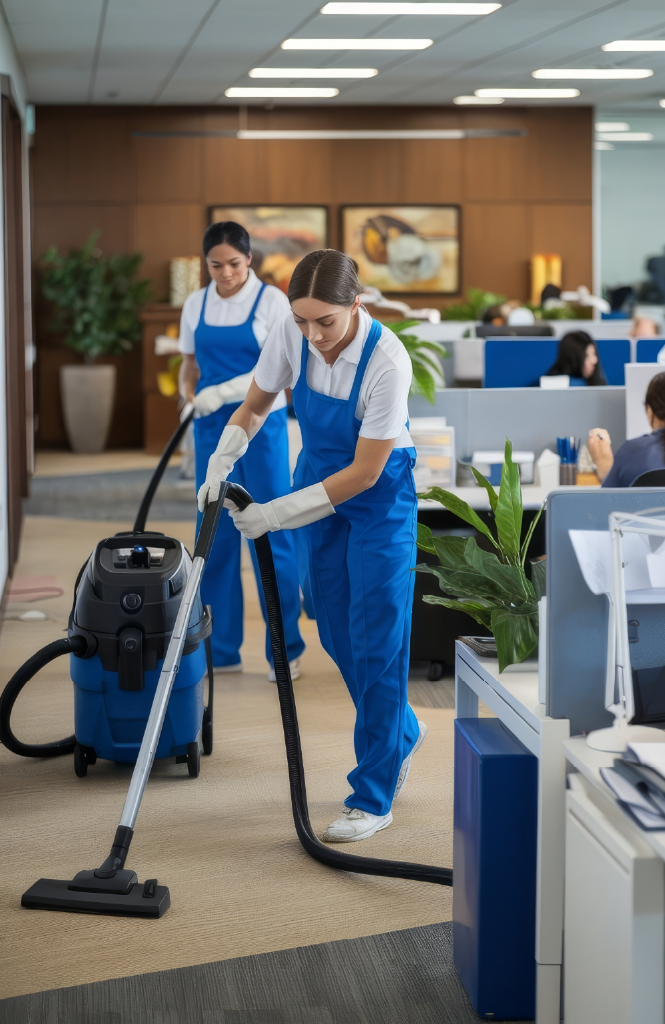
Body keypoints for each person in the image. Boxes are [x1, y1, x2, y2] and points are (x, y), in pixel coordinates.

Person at [197, 249, 426, 843]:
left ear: (357, 304)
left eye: (325, 321)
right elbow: (256, 404)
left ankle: (372, 796)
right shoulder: (291, 331)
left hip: (377, 498)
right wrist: (222, 459)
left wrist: (273, 515)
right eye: (302, 320)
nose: (313, 335)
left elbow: (365, 473)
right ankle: (400, 730)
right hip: (316, 483)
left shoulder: (387, 360)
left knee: (377, 639)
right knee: (332, 628)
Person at [178, 221, 305, 679]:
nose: (226, 273)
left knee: (271, 531)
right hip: (211, 427)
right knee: (213, 536)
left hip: (261, 427)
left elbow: (277, 369)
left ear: (249, 259)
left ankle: (284, 651)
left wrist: (223, 391)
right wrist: (188, 397)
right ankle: (221, 649)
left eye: (234, 263)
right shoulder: (196, 304)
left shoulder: (272, 302)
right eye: (216, 265)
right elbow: (188, 366)